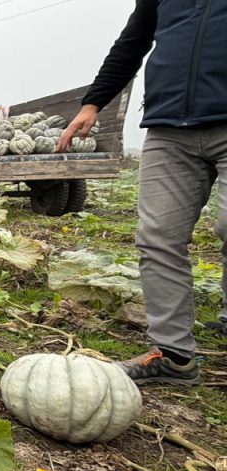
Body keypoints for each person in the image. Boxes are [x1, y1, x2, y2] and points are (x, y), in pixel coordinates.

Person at [59, 0, 226, 385]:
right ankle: (173, 354)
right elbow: (132, 42)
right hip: (169, 126)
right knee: (158, 237)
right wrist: (93, 102)